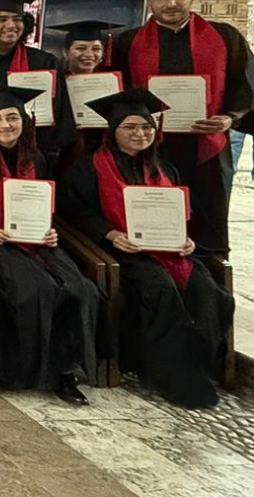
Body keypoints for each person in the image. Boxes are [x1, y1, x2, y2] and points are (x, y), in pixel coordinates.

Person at [61, 88, 234, 408]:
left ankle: (197, 363)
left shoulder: (165, 170)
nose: (139, 133)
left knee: (208, 291)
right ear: (113, 131)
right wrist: (110, 234)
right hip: (123, 253)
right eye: (130, 127)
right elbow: (73, 212)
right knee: (160, 288)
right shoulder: (89, 169)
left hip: (169, 251)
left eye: (146, 127)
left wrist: (188, 240)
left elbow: (184, 214)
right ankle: (169, 374)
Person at [0, 85, 99, 405]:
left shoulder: (36, 158)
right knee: (34, 289)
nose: (5, 125)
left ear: (24, 121)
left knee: (80, 289)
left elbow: (45, 203)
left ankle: (64, 371)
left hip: (36, 242)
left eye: (12, 118)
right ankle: (26, 371)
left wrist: (49, 230)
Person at [108, 0, 253, 257]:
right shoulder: (128, 42)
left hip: (208, 150)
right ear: (150, 2)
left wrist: (229, 118)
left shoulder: (224, 36)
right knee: (154, 220)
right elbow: (117, 93)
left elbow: (246, 84)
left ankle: (210, 277)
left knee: (209, 224)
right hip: (149, 148)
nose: (171, 4)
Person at [0, 0, 73, 155]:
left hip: (31, 149)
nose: (11, 25)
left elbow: (59, 111)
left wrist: (45, 155)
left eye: (17, 19)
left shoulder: (43, 62)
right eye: (1, 20)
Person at [50, 19, 119, 179]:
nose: (89, 54)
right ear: (65, 52)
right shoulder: (55, 84)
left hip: (100, 148)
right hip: (63, 150)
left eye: (96, 49)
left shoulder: (113, 84)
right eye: (80, 48)